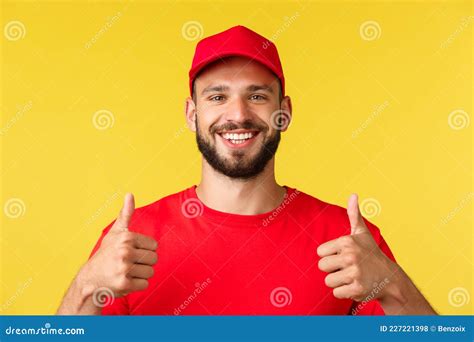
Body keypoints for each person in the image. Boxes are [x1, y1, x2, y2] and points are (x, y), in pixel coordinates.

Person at [57, 25, 436, 315]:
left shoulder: (346, 240)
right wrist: (87, 287)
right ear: (192, 114)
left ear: (283, 112)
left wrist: (392, 285)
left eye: (256, 96)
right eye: (217, 97)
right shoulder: (132, 240)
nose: (238, 115)